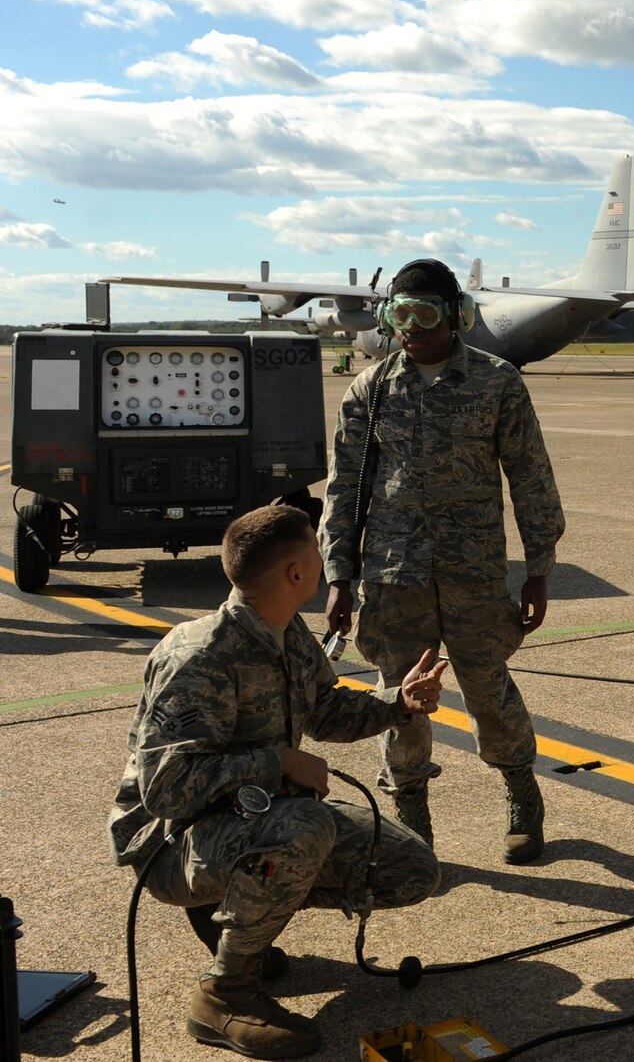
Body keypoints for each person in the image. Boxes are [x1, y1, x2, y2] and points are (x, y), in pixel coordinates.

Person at [108, 503, 447, 1060]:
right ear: (295, 573)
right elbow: (166, 789)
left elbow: (326, 712)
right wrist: (281, 762)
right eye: (316, 552)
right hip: (169, 843)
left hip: (244, 819)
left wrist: (399, 704)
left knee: (411, 869)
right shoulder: (201, 656)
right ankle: (224, 994)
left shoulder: (287, 634)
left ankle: (240, 917)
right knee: (305, 827)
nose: (323, 561)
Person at [320, 257, 564, 865]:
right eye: (399, 314)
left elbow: (530, 476)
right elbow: (345, 485)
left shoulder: (496, 381)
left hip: (474, 571)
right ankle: (411, 822)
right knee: (399, 698)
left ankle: (521, 795)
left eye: (425, 314)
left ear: (456, 315)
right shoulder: (371, 389)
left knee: (487, 689)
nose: (412, 328)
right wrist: (338, 575)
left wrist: (538, 567)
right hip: (393, 574)